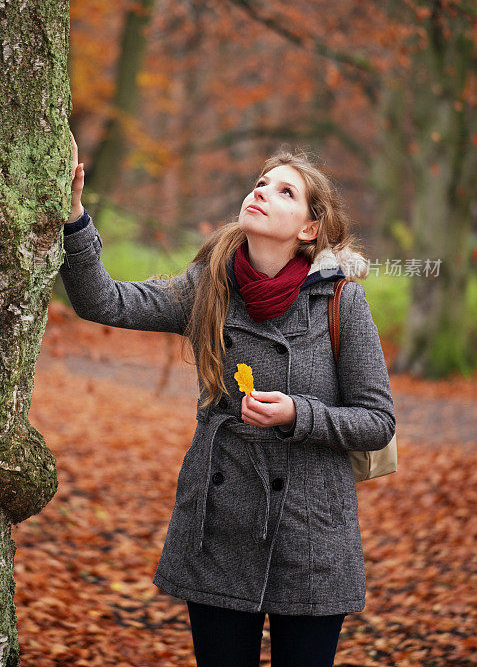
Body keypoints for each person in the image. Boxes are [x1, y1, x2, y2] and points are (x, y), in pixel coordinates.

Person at [60, 132, 396, 667]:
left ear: (310, 228)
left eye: (286, 192)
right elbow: (103, 300)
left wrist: (297, 414)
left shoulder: (340, 301)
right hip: (220, 528)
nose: (261, 192)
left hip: (311, 535)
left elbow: (378, 421)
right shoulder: (207, 287)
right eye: (261, 183)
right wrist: (75, 219)